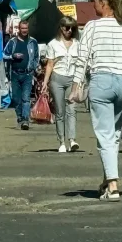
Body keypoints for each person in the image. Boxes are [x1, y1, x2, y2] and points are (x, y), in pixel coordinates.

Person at [70, 0, 122, 202]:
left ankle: (113, 185)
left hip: (102, 82)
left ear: (104, 3)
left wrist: (76, 85)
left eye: (94, 0)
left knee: (104, 135)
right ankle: (106, 181)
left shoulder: (92, 27)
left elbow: (82, 58)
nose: (93, 4)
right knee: (114, 133)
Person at [43, 16, 82, 153]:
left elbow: (81, 64)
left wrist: (80, 80)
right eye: (67, 27)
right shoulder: (53, 44)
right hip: (57, 78)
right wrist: (45, 82)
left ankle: (72, 140)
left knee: (71, 110)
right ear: (61, 28)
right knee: (60, 112)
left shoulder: (78, 44)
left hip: (72, 78)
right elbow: (49, 65)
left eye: (72, 28)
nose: (69, 30)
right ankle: (62, 142)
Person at [4, 20, 39, 130]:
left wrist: (33, 67)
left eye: (26, 28)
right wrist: (13, 56)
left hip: (27, 74)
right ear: (19, 29)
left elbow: (36, 57)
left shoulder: (33, 42)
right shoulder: (12, 42)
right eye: (22, 28)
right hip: (14, 74)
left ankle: (25, 119)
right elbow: (4, 54)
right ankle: (19, 117)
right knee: (16, 98)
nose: (24, 30)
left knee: (26, 98)